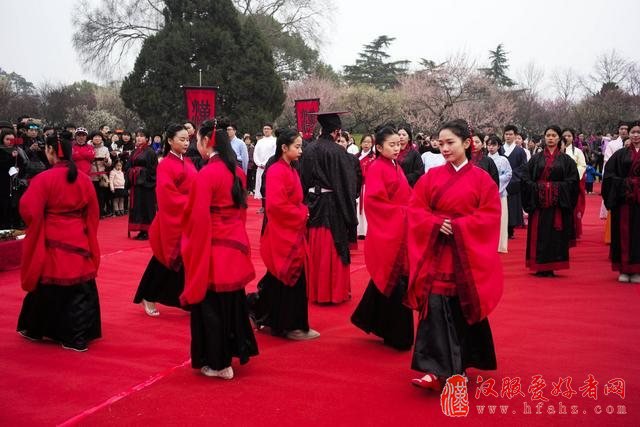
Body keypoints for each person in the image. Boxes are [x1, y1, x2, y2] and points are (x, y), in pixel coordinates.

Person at [407, 119, 502, 390]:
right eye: (441, 143)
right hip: (437, 254)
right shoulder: (431, 177)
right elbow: (416, 211)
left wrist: (459, 226)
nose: (444, 148)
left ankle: (459, 364)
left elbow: (489, 216)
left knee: (462, 310)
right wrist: (437, 223)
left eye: (450, 143)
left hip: (467, 258)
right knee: (434, 308)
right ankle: (435, 370)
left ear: (467, 143)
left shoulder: (482, 180)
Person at [180, 122, 258, 380]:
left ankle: (218, 362)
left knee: (211, 307)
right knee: (232, 303)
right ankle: (235, 352)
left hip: (213, 247)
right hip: (234, 244)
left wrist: (191, 249)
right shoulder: (236, 172)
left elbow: (197, 219)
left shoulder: (207, 174)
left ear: (206, 142)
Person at [16, 132, 101, 352]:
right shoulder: (82, 178)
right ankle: (77, 337)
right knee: (80, 290)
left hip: (52, 237)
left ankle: (38, 329)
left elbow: (28, 209)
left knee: (47, 287)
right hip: (78, 238)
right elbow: (93, 213)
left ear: (51, 151)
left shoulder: (44, 179)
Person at [247, 129, 320, 340]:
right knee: (288, 277)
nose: (300, 150)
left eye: (300, 146)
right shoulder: (277, 170)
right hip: (282, 233)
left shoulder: (291, 169)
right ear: (284, 148)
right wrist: (302, 212)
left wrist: (301, 211)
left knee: (280, 279)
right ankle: (290, 325)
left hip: (292, 230)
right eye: (297, 146)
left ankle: (259, 310)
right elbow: (276, 206)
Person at [351, 127, 414, 350]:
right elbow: (375, 204)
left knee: (390, 278)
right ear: (379, 147)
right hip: (388, 232)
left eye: (399, 144)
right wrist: (404, 214)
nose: (397, 148)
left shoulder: (396, 166)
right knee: (394, 278)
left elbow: (406, 195)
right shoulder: (377, 168)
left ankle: (371, 320)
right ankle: (397, 335)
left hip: (400, 229)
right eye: (392, 145)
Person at [134, 124, 198, 316]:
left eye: (188, 139)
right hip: (172, 220)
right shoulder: (166, 165)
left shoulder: (187, 162)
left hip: (187, 219)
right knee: (165, 259)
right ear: (170, 141)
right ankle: (148, 295)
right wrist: (192, 204)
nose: (186, 143)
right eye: (182, 139)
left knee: (185, 261)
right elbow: (167, 195)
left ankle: (186, 298)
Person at [300, 112, 357, 304]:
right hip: (333, 204)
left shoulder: (308, 150)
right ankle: (333, 292)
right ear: (336, 131)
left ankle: (315, 291)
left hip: (312, 202)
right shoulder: (338, 152)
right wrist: (349, 211)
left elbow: (303, 180)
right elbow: (347, 185)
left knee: (316, 247)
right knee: (333, 247)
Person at [521, 125, 579, 277]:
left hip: (557, 205)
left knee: (555, 234)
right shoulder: (535, 159)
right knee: (538, 233)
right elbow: (525, 179)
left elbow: (573, 182)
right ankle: (538, 264)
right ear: (544, 137)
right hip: (538, 204)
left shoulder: (567, 161)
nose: (550, 138)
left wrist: (552, 188)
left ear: (559, 138)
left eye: (554, 135)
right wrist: (540, 189)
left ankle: (553, 264)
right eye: (548, 135)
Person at [602, 120, 640, 283]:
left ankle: (637, 269)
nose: (636, 135)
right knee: (623, 233)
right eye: (633, 132)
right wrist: (626, 184)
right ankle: (624, 268)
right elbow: (609, 176)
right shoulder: (620, 154)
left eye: (639, 132)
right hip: (623, 200)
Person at [126, 129, 158, 240]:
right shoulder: (134, 152)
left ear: (147, 139)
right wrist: (132, 172)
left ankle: (148, 230)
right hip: (136, 184)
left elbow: (153, 170)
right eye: (137, 136)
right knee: (138, 207)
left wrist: (140, 172)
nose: (139, 138)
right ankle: (141, 229)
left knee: (147, 207)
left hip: (146, 185)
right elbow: (128, 166)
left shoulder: (150, 152)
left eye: (142, 136)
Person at [487, 135, 513, 253]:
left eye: (493, 145)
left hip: (500, 192)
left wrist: (496, 182)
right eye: (489, 145)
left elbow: (508, 174)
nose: (490, 147)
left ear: (498, 146)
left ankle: (500, 245)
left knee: (501, 219)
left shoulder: (503, 159)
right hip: (485, 193)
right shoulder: (483, 159)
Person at [503, 125, 528, 239]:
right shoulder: (500, 149)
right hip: (500, 182)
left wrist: (512, 177)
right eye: (506, 134)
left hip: (513, 182)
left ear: (515, 135)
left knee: (512, 207)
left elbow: (523, 167)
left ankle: (511, 229)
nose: (508, 136)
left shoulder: (520, 151)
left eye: (510, 134)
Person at [563, 128, 587, 240]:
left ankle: (574, 231)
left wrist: (573, 176)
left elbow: (582, 166)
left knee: (574, 207)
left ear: (573, 138)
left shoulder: (578, 151)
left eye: (569, 136)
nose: (567, 138)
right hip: (560, 183)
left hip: (573, 183)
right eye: (565, 136)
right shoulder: (558, 150)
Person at [88, 131, 113, 218]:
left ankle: (101, 212)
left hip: (101, 175)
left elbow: (109, 163)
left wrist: (106, 161)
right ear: (92, 138)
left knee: (101, 195)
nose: (97, 138)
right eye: (95, 137)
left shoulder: (105, 149)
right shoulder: (88, 147)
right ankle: (92, 213)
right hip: (91, 175)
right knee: (92, 195)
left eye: (99, 137)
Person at [357, 134, 376, 238]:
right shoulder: (356, 156)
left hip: (367, 185)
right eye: (364, 142)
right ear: (361, 143)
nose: (366, 144)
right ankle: (359, 231)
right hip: (357, 185)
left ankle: (366, 231)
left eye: (369, 142)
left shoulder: (373, 157)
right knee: (357, 208)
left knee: (365, 209)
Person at [253, 123, 277, 203]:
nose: (266, 130)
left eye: (268, 128)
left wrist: (266, 163)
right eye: (265, 129)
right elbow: (255, 154)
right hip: (260, 167)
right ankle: (263, 205)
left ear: (271, 130)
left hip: (270, 167)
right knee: (260, 186)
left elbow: (274, 154)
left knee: (269, 186)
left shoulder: (274, 141)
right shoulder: (260, 142)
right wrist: (259, 164)